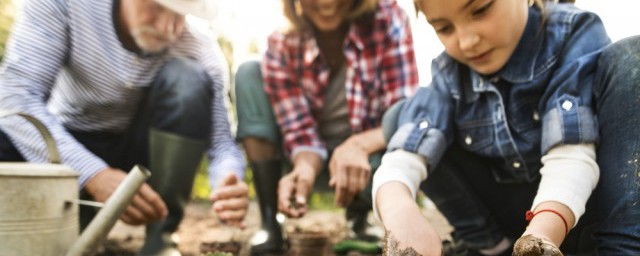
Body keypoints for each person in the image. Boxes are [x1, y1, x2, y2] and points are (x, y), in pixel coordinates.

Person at [373, 0, 640, 255]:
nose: (467, 42)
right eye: (444, 28)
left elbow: (570, 154)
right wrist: (400, 212)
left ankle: (624, 248)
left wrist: (541, 237)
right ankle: (491, 248)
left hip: (581, 211)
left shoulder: (573, 34)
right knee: (400, 117)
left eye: (480, 10)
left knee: (631, 57)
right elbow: (403, 157)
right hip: (515, 219)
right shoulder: (448, 72)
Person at [0, 0, 249, 255]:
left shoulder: (199, 45)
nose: (168, 27)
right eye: (158, 7)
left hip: (142, 156)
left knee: (188, 80)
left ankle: (160, 238)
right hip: (69, 146)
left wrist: (227, 179)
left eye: (181, 14)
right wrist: (93, 174)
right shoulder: (64, 5)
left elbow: (221, 143)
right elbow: (16, 95)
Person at [234, 0, 418, 253]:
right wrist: (305, 166)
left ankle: (360, 215)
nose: (326, 1)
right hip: (307, 160)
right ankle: (269, 220)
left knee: (404, 143)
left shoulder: (388, 18)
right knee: (248, 72)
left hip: (369, 160)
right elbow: (299, 131)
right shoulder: (281, 43)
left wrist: (358, 146)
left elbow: (404, 115)